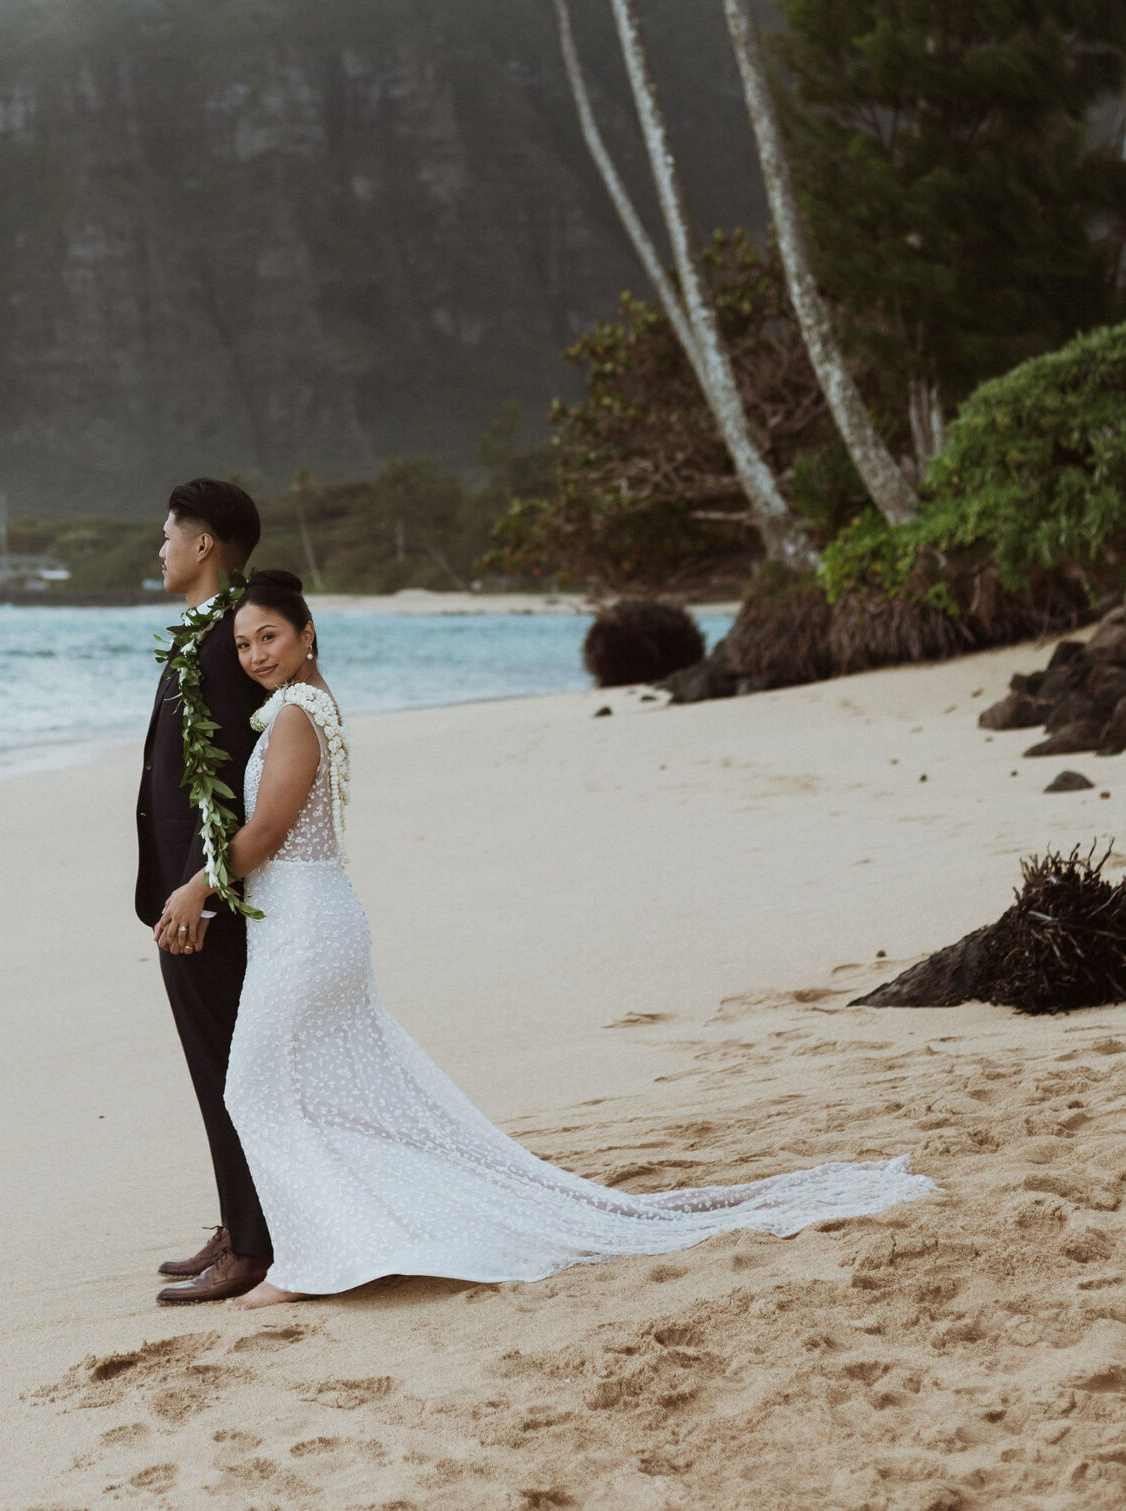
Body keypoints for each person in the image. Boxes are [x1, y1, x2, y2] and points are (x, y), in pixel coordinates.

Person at [201, 570, 934, 1310]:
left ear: (307, 634)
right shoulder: (305, 705)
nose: (256, 654)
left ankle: (304, 1264)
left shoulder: (295, 714)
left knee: (257, 1089)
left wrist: (194, 887)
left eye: (269, 637)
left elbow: (264, 833)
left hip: (303, 923)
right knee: (323, 1094)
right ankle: (348, 1242)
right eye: (242, 645)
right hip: (307, 918)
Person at [134, 478, 274, 1306]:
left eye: (166, 535)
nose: (157, 549)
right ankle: (238, 1217)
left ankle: (254, 1245)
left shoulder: (229, 643)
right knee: (216, 1067)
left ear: (202, 546)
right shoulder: (210, 635)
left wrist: (200, 894)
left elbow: (230, 784)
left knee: (230, 1069)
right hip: (184, 895)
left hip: (205, 904)